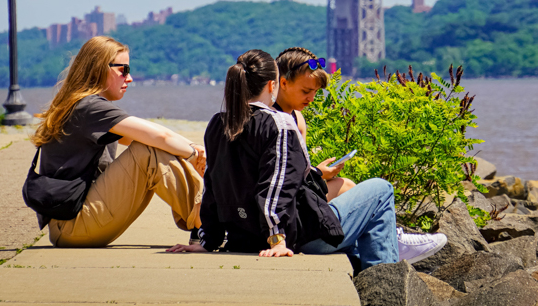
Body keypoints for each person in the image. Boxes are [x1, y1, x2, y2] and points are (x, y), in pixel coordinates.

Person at [166, 49, 447, 269]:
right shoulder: (278, 123)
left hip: (244, 237)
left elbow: (214, 185)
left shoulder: (219, 122)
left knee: (356, 206)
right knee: (381, 189)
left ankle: (381, 259)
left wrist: (208, 241)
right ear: (274, 84)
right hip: (299, 237)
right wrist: (277, 239)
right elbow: (276, 186)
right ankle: (384, 274)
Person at [27, 35, 205, 248]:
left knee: (151, 147)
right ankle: (208, 225)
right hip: (74, 225)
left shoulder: (81, 105)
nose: (129, 78)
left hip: (71, 225)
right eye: (124, 70)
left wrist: (193, 148)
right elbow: (160, 138)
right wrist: (194, 155)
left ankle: (205, 222)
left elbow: (151, 138)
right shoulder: (89, 107)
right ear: (100, 69)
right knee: (147, 152)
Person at [274, 46, 355, 201]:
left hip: (292, 194)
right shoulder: (269, 120)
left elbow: (298, 167)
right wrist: (318, 173)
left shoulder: (297, 118)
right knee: (350, 187)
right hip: (284, 202)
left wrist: (315, 172)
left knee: (344, 184)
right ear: (283, 83)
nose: (311, 99)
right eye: (305, 91)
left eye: (315, 92)